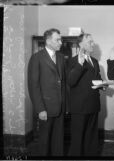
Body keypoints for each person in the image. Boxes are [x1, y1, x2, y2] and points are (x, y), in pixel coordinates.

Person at [28, 28, 66, 156]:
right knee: (44, 143)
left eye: (60, 39)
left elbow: (63, 83)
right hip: (46, 108)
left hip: (60, 107)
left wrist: (65, 105)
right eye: (58, 40)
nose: (61, 42)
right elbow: (34, 86)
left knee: (58, 142)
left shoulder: (61, 57)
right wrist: (40, 109)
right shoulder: (36, 58)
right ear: (48, 41)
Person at [67, 33, 103, 156]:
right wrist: (80, 64)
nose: (92, 44)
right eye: (89, 42)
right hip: (79, 108)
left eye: (92, 42)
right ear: (81, 44)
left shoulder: (95, 61)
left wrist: (103, 85)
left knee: (91, 138)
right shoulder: (72, 61)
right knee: (77, 140)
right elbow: (71, 82)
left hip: (93, 106)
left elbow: (97, 79)